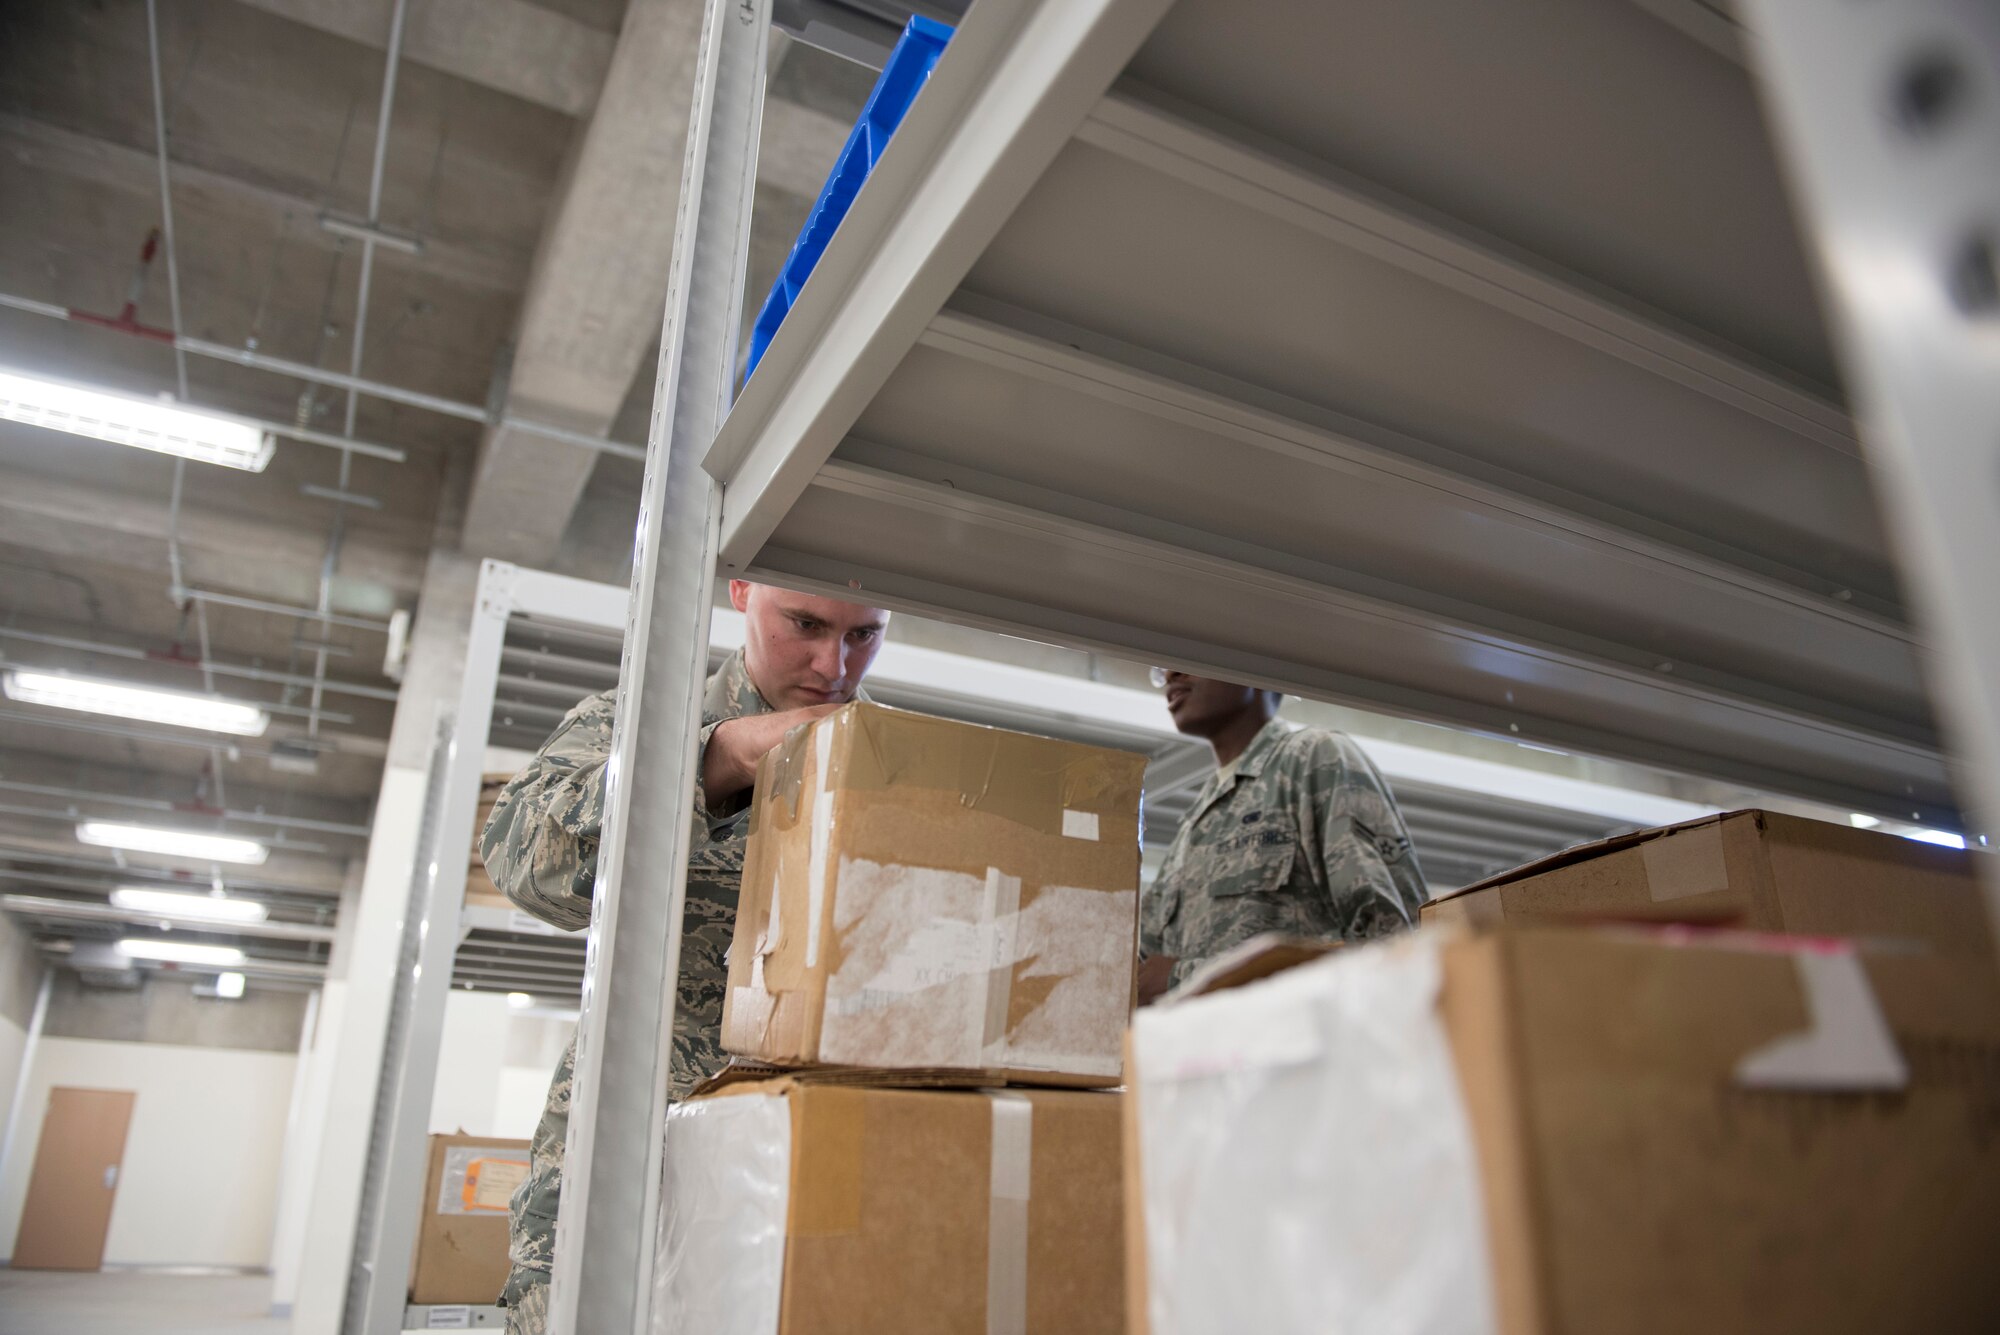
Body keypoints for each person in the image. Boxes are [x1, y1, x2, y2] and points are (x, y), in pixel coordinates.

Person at [479, 581, 888, 1335]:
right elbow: (519, 859)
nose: (834, 661)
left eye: (864, 634)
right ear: (741, 592)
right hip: (631, 1174)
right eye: (806, 623)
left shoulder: (897, 766)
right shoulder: (639, 723)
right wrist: (712, 760)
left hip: (807, 1181)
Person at [1136, 671, 1427, 1004]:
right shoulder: (1194, 825)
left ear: (1256, 670)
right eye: (1164, 666)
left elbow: (1396, 945)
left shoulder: (1315, 758)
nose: (1171, 672)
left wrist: (1181, 979)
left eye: (1191, 657)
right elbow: (1140, 968)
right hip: (1211, 1053)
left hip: (1307, 1050)